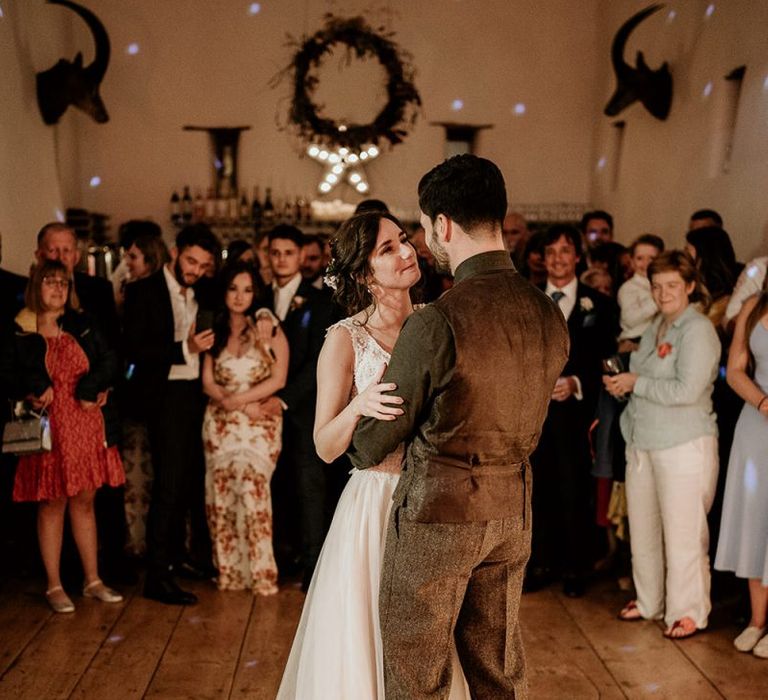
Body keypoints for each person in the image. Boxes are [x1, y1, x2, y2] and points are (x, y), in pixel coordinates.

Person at [348, 155, 569, 698]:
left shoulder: (438, 318)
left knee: (417, 675)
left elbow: (372, 442)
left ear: (442, 224)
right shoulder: (547, 311)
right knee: (498, 672)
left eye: (424, 227)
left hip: (439, 513)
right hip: (513, 509)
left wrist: (355, 421)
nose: (426, 240)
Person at [277, 210, 467, 699]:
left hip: (431, 498)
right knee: (367, 634)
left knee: (428, 635)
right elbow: (324, 446)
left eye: (404, 239)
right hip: (374, 502)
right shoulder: (345, 338)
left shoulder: (435, 321)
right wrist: (359, 404)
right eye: (388, 249)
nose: (407, 252)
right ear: (363, 273)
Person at [605, 250, 720, 640]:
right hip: (643, 440)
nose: (663, 292)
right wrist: (623, 385)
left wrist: (636, 382)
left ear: (689, 286)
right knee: (643, 528)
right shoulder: (657, 325)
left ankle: (688, 610)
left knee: (683, 531)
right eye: (656, 285)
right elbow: (648, 379)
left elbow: (688, 389)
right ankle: (650, 599)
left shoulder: (697, 329)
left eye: (672, 285)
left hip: (683, 442)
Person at [0, 260, 124, 612]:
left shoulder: (83, 324)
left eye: (63, 283)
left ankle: (93, 579)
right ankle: (54, 585)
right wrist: (31, 388)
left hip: (85, 426)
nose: (57, 289)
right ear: (36, 286)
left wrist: (98, 387)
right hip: (47, 429)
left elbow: (110, 360)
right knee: (51, 503)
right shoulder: (21, 328)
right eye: (50, 282)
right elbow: (6, 373)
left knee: (85, 503)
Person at [123, 223, 221, 605]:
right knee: (167, 485)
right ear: (176, 251)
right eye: (191, 261)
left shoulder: (205, 289)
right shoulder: (141, 291)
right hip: (164, 398)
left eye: (203, 265)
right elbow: (135, 349)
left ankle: (179, 558)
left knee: (188, 482)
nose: (195, 270)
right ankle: (157, 575)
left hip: (197, 394)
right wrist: (186, 347)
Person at [528, 224, 618, 598]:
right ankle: (540, 563)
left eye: (565, 251)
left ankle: (574, 566)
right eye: (551, 252)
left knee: (573, 489)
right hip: (534, 414)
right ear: (542, 259)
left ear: (577, 257)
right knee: (537, 490)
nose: (558, 259)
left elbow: (607, 360)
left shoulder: (600, 305)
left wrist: (576, 383)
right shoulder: (528, 301)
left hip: (577, 416)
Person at [202, 262, 288, 594]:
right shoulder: (214, 327)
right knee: (220, 497)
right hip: (220, 422)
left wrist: (242, 401)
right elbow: (207, 380)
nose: (239, 297)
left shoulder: (269, 328)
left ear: (257, 294)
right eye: (234, 288)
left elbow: (279, 378)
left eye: (248, 289)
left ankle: (262, 574)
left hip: (258, 420)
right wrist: (224, 400)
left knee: (255, 494)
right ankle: (229, 574)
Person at [262, 225, 336, 590]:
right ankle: (279, 554)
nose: (281, 260)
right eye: (274, 253)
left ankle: (314, 566)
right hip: (261, 408)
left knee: (310, 488)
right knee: (275, 485)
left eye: (287, 253)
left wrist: (285, 397)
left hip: (304, 409)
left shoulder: (320, 301)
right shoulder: (258, 296)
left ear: (299, 255)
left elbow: (319, 361)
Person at [714, 287, 768, 658]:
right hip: (756, 422)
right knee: (755, 520)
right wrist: (763, 402)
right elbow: (734, 370)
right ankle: (757, 620)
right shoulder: (755, 304)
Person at [617, 234, 664, 352]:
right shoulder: (628, 288)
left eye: (652, 258)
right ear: (632, 261)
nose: (646, 263)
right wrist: (656, 301)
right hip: (634, 344)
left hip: (658, 343)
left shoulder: (664, 285)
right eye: (640, 258)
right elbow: (629, 319)